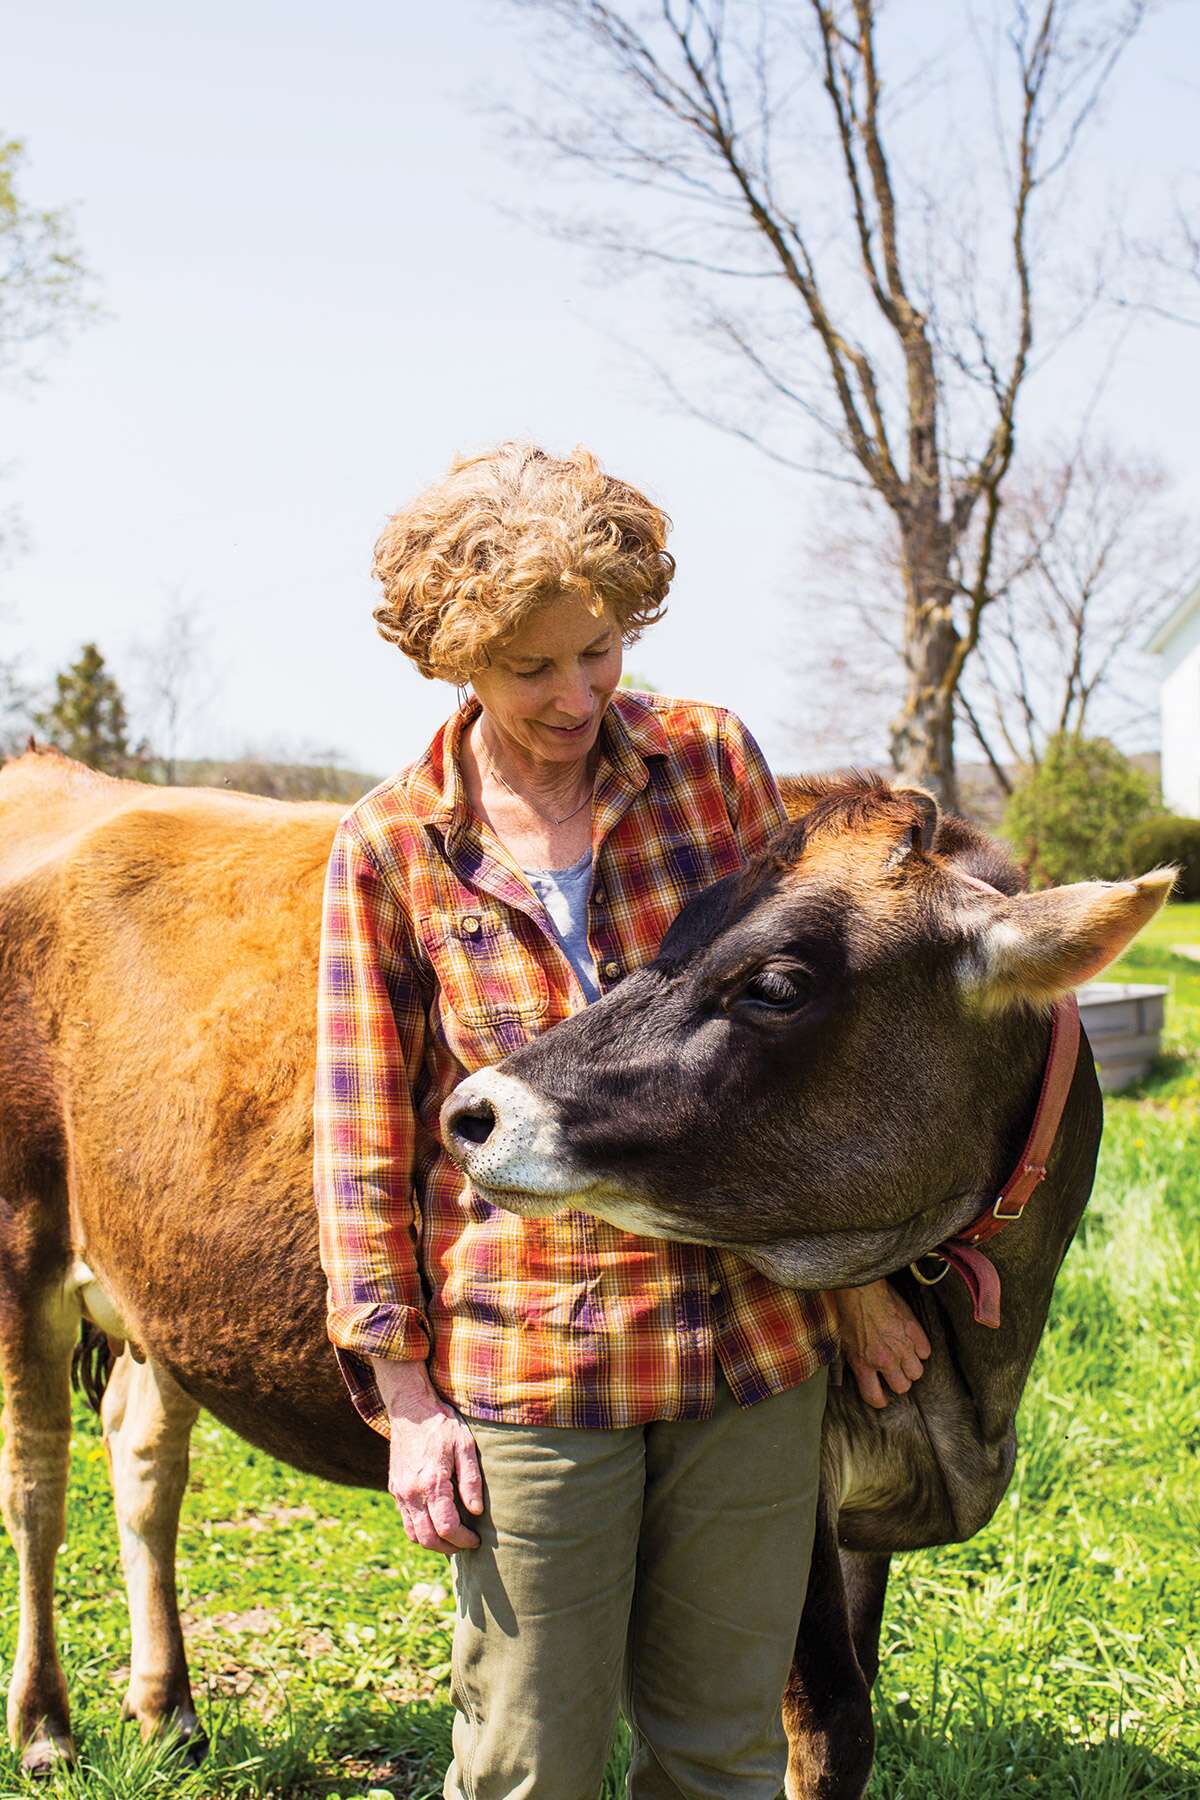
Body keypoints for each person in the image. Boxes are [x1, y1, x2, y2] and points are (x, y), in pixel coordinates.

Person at [313, 442, 931, 1800]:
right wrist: (408, 1397)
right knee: (530, 1761)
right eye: (533, 667)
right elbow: (361, 1138)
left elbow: (797, 1050)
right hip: (538, 1366)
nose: (577, 695)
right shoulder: (392, 846)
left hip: (747, 1347)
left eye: (597, 652)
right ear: (456, 658)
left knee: (720, 1754)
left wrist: (855, 1284)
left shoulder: (709, 765)